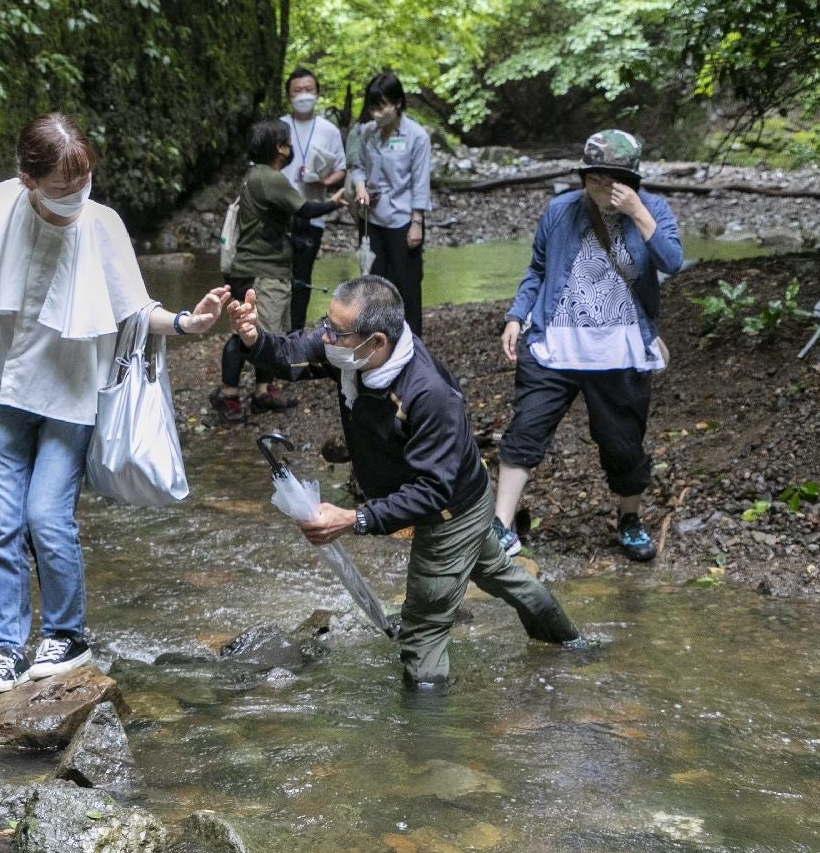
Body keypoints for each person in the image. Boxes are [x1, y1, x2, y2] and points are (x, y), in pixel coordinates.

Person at [0, 113, 230, 696]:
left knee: (46, 517)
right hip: (1, 384)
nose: (76, 196)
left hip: (68, 393)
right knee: (2, 522)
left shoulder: (102, 224)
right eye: (64, 188)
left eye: (84, 181)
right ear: (28, 179)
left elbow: (134, 310)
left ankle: (67, 634)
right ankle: (7, 648)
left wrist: (192, 323)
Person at [231, 274, 587, 687]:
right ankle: (571, 645)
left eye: (335, 331)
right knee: (497, 573)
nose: (324, 337)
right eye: (325, 324)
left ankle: (427, 737)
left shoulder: (428, 394)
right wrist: (254, 338)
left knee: (423, 628)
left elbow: (433, 490)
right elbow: (290, 354)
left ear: (377, 341)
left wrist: (356, 518)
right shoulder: (352, 350)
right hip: (454, 496)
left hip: (450, 511)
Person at [494, 130, 684, 563]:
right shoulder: (560, 211)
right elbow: (538, 268)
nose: (602, 188)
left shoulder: (652, 208)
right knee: (525, 431)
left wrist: (637, 212)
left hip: (620, 351)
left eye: (613, 179)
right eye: (594, 178)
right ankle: (501, 527)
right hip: (553, 344)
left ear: (631, 180)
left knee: (623, 446)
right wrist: (515, 315)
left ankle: (630, 518)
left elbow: (672, 261)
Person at [214, 119, 345, 422]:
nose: (289, 148)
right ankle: (229, 394)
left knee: (266, 332)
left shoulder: (256, 176)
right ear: (278, 148)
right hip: (261, 271)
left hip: (263, 268)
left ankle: (264, 389)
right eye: (286, 143)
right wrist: (336, 202)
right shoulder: (269, 178)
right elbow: (304, 210)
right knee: (251, 333)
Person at [348, 72, 431, 334]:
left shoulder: (417, 136)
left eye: (381, 106)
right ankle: (378, 342)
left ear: (396, 103)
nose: (376, 113)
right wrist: (360, 187)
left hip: (403, 221)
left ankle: (413, 344)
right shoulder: (367, 133)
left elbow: (420, 182)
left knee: (407, 286)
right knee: (373, 285)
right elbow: (358, 166)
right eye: (372, 107)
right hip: (371, 219)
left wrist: (417, 222)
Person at [283, 68, 349, 331]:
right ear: (288, 95)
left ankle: (295, 332)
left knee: (302, 277)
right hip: (281, 215)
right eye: (297, 90)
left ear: (318, 93)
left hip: (314, 212)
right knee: (276, 278)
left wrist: (325, 181)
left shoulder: (329, 130)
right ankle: (272, 332)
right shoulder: (280, 127)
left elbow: (341, 169)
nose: (304, 95)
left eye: (308, 90)